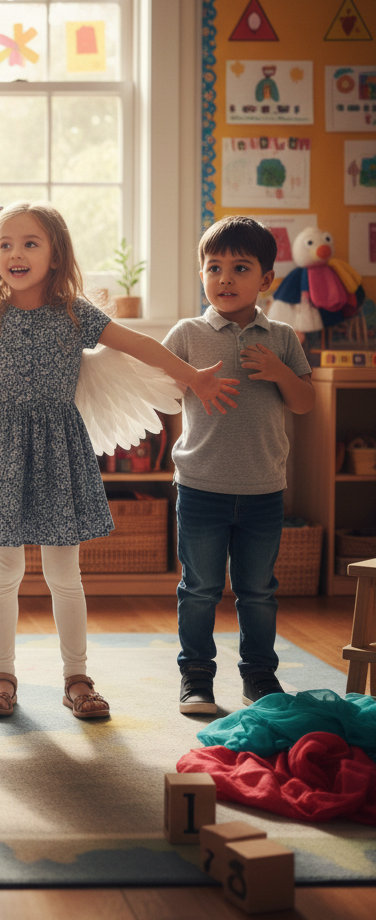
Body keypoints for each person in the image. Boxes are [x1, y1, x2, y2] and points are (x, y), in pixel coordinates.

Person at [0, 201, 240, 719]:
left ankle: (77, 678)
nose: (16, 253)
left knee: (65, 573)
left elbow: (140, 345)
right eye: (5, 244)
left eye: (30, 243)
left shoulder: (77, 315)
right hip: (1, 449)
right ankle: (1, 677)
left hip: (60, 450)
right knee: (3, 571)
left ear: (56, 255)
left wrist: (191, 377)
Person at [163, 216, 313, 715]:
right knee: (200, 588)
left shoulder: (283, 336)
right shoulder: (187, 333)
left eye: (240, 268)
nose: (224, 278)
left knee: (258, 590)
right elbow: (158, 387)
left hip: (263, 489)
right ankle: (197, 678)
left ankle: (259, 677)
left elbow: (305, 403)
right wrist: (183, 378)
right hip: (201, 486)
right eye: (214, 268)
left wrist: (277, 371)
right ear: (202, 274)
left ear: (265, 279)